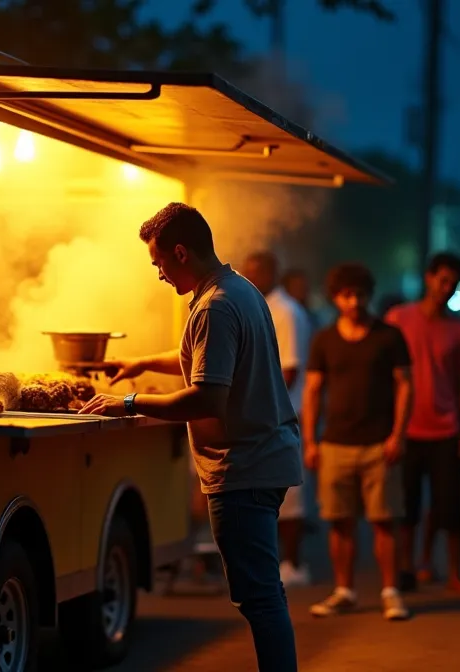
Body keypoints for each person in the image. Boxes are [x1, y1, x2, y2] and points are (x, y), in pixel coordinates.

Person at [79, 203, 301, 671]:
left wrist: (130, 402)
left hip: (244, 467)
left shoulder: (215, 307)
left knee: (260, 598)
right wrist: (140, 363)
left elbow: (206, 398)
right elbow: (206, 356)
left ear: (181, 252)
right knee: (263, 594)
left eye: (159, 262)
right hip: (262, 458)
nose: (159, 273)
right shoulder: (236, 289)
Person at [304, 262, 414, 621]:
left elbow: (405, 385)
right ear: (336, 297)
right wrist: (310, 440)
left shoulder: (388, 336)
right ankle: (344, 590)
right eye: (346, 295)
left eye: (360, 295)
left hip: (379, 443)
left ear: (369, 295)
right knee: (340, 520)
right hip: (335, 442)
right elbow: (313, 391)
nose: (354, 302)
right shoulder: (324, 339)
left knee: (384, 520)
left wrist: (398, 434)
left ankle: (390, 591)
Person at [385, 253, 460, 598]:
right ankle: (406, 568)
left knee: (450, 507)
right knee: (405, 508)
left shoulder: (458, 330)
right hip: (408, 430)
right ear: (428, 278)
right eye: (442, 280)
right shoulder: (398, 319)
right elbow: (386, 376)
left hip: (445, 429)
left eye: (453, 284)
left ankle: (455, 573)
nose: (446, 289)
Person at [243, 251, 314, 588]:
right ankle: (274, 563)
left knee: (289, 500)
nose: (249, 278)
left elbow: (290, 370)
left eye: (256, 273)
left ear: (272, 273)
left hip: (282, 417)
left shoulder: (285, 312)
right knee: (268, 495)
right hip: (266, 416)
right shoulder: (262, 306)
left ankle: (293, 565)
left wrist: (253, 404)